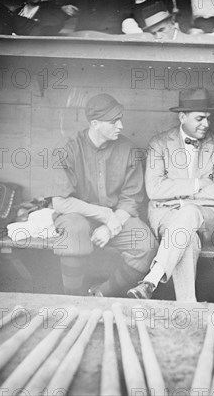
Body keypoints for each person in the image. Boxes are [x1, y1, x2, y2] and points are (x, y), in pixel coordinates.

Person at [48, 93, 158, 297]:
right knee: (74, 229)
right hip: (78, 216)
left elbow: (131, 200)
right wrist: (104, 214)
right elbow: (60, 203)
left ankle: (100, 294)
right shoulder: (68, 148)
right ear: (95, 123)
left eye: (121, 119)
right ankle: (72, 300)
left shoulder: (128, 149)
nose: (121, 126)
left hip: (118, 219)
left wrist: (110, 225)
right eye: (114, 121)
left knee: (147, 244)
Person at [127, 88, 214, 302]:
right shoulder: (159, 144)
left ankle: (153, 277)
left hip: (209, 221)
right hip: (168, 219)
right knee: (187, 239)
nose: (206, 124)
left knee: (190, 212)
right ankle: (187, 308)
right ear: (182, 117)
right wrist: (197, 184)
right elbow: (154, 189)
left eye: (208, 118)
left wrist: (179, 198)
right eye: (200, 118)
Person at [62, 0, 131, 34]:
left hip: (109, 31)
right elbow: (68, 5)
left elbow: (123, 11)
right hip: (82, 31)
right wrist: (65, 8)